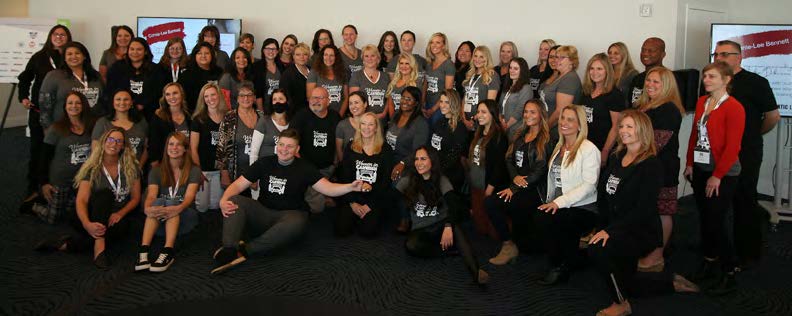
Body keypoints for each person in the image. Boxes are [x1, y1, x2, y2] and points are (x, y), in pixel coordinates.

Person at [211, 128, 370, 274]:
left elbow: (328, 188)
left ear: (297, 149)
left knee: (299, 221)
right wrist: (223, 200)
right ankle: (230, 249)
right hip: (263, 212)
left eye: (289, 146)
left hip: (289, 217)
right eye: (281, 144)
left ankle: (246, 250)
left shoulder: (305, 168)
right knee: (234, 199)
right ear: (277, 145)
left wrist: (350, 187)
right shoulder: (264, 163)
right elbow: (238, 184)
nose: (284, 149)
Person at [589, 110, 699, 316]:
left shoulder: (651, 165)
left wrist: (610, 232)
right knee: (627, 283)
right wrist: (601, 226)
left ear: (642, 130)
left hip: (639, 229)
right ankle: (670, 284)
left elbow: (643, 209)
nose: (623, 131)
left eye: (629, 127)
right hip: (617, 225)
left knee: (598, 251)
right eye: (621, 126)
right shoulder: (617, 156)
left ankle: (621, 304)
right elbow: (604, 195)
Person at [712, 40, 779, 269]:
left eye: (725, 54)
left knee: (744, 201)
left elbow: (772, 117)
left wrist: (751, 135)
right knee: (715, 203)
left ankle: (746, 253)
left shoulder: (756, 83)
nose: (719, 58)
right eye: (716, 54)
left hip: (745, 152)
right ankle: (715, 250)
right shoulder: (712, 81)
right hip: (715, 152)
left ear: (739, 57)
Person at [685, 61, 745, 294]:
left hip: (723, 173)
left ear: (726, 79)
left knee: (716, 221)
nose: (706, 80)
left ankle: (730, 269)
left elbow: (733, 147)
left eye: (711, 77)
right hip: (701, 169)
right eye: (705, 77)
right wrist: (690, 162)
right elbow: (694, 135)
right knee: (705, 217)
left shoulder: (734, 107)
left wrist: (718, 175)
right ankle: (709, 262)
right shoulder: (703, 102)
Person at [396, 146, 489, 285]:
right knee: (411, 246)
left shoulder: (441, 179)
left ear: (432, 161)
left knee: (456, 228)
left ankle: (476, 272)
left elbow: (454, 205)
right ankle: (450, 251)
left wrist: (447, 226)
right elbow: (391, 195)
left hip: (441, 224)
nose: (418, 163)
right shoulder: (409, 179)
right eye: (416, 159)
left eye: (423, 159)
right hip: (421, 230)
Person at [536, 105, 601, 285]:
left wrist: (559, 203)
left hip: (583, 208)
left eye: (570, 119)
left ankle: (560, 267)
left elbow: (589, 185)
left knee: (551, 220)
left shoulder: (588, 149)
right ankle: (570, 261)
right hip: (562, 204)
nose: (564, 122)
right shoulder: (559, 147)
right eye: (563, 118)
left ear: (580, 125)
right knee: (541, 217)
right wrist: (551, 201)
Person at [486, 99, 552, 265]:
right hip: (517, 186)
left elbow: (540, 172)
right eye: (526, 111)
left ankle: (518, 244)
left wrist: (514, 188)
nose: (527, 115)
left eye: (532, 112)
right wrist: (514, 177)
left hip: (534, 191)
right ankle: (508, 244)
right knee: (491, 203)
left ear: (541, 115)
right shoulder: (520, 135)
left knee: (526, 242)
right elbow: (508, 159)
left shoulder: (546, 139)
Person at [634, 67, 685, 272]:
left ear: (667, 86)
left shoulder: (669, 110)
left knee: (663, 212)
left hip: (662, 170)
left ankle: (657, 256)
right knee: (649, 211)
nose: (650, 85)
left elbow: (656, 143)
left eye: (656, 82)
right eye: (649, 81)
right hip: (645, 168)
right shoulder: (645, 105)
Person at [21, 91, 95, 224]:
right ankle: (32, 204)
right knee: (53, 218)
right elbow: (44, 158)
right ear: (65, 106)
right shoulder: (56, 129)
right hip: (61, 181)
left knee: (74, 214)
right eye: (70, 103)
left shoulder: (91, 127)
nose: (74, 106)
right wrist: (44, 183)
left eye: (78, 103)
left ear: (83, 106)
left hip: (81, 180)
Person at [73, 127, 142, 268]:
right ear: (103, 142)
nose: (114, 144)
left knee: (125, 228)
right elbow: (82, 200)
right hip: (91, 214)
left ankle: (67, 244)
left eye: (118, 141)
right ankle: (99, 250)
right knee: (105, 195)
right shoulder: (91, 168)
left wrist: (120, 213)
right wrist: (87, 224)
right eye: (110, 140)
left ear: (123, 146)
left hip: (114, 217)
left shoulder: (131, 167)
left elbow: (135, 198)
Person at [17, 24, 72, 202]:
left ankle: (56, 187)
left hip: (64, 114)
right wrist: (23, 97)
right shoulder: (40, 57)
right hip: (40, 113)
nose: (59, 37)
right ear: (50, 37)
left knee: (60, 151)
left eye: (63, 35)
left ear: (68, 38)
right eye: (55, 34)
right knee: (38, 150)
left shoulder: (71, 57)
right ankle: (34, 188)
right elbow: (25, 78)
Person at [135, 132, 202, 272]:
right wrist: (147, 208)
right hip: (161, 221)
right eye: (171, 144)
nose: (174, 147)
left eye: (179, 145)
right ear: (166, 148)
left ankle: (168, 251)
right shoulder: (156, 171)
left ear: (185, 149)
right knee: (158, 201)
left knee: (171, 203)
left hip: (185, 217)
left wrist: (178, 208)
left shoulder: (194, 170)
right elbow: (152, 196)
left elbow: (189, 198)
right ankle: (144, 251)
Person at [335, 112, 393, 237]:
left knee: (367, 233)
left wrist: (370, 205)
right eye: (363, 124)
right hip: (354, 196)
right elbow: (345, 177)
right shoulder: (351, 147)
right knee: (341, 230)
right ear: (359, 126)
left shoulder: (385, 149)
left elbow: (386, 181)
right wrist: (352, 203)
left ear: (376, 128)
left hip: (374, 197)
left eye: (371, 124)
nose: (366, 128)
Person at [291, 87, 342, 213]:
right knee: (317, 208)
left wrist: (335, 161)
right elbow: (291, 139)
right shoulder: (301, 115)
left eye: (320, 98)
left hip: (328, 168)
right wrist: (300, 164)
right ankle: (319, 196)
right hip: (307, 169)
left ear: (328, 101)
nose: (315, 101)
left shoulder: (335, 117)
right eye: (313, 97)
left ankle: (321, 194)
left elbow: (340, 140)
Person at [388, 86, 430, 232]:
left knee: (398, 181)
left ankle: (405, 218)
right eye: (403, 97)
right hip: (389, 159)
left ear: (416, 103)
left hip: (409, 162)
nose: (404, 101)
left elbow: (418, 152)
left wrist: (402, 163)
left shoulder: (420, 123)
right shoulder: (396, 116)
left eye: (409, 99)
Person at [39, 41, 104, 129]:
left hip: (93, 126)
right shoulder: (54, 76)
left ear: (84, 56)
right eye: (69, 54)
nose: (73, 56)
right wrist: (48, 129)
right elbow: (45, 106)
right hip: (64, 128)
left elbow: (104, 101)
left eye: (77, 53)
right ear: (64, 58)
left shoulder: (96, 76)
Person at [467, 99, 508, 237]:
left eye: (484, 112)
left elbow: (499, 167)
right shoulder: (478, 132)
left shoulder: (499, 137)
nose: (479, 115)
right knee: (480, 228)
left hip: (489, 189)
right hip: (476, 186)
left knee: (493, 231)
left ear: (493, 114)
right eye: (478, 112)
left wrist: (489, 189)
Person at [216, 82, 264, 197]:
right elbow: (221, 148)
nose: (246, 98)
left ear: (254, 98)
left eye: (249, 95)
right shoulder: (229, 118)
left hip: (259, 174)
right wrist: (224, 174)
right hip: (236, 175)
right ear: (237, 98)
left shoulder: (263, 117)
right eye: (242, 95)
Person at [190, 83, 228, 213]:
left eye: (213, 94)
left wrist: (225, 172)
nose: (210, 98)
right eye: (206, 96)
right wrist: (198, 172)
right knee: (202, 206)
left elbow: (229, 147)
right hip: (204, 171)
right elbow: (193, 148)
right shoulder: (198, 120)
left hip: (220, 171)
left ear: (219, 95)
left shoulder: (227, 117)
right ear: (203, 99)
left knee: (216, 205)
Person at [580, 53, 624, 165]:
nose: (595, 72)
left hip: (602, 148)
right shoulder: (586, 92)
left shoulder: (614, 95)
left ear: (607, 71)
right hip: (584, 146)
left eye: (599, 69)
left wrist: (605, 151)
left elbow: (616, 126)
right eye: (592, 68)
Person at [106, 37, 166, 120]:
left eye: (139, 49)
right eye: (132, 49)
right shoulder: (116, 68)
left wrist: (143, 104)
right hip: (122, 113)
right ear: (128, 50)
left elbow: (159, 93)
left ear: (145, 51)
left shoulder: (156, 69)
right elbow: (111, 90)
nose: (135, 52)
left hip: (149, 114)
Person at [92, 89, 148, 165]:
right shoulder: (102, 122)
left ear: (131, 102)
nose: (122, 102)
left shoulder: (141, 122)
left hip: (135, 170)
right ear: (113, 102)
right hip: (107, 171)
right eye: (118, 99)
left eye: (126, 99)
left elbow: (146, 148)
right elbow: (95, 150)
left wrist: (139, 168)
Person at [430, 90, 468, 191]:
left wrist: (437, 171)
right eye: (441, 101)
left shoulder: (460, 127)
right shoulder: (438, 122)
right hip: (435, 171)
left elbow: (454, 155)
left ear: (454, 103)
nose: (442, 105)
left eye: (447, 102)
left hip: (450, 176)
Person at [148, 83, 191, 168]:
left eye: (175, 93)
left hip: (188, 163)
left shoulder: (190, 116)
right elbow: (153, 144)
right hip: (165, 165)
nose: (171, 97)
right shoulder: (158, 117)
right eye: (168, 94)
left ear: (182, 95)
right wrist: (155, 165)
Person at [541, 45, 582, 129]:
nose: (556, 60)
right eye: (556, 57)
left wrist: (545, 129)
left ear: (571, 61)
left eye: (562, 57)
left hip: (557, 131)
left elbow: (560, 111)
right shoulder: (561, 76)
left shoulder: (570, 79)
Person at [461, 46, 500, 131]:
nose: (477, 59)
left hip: (480, 121)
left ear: (487, 59)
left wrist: (474, 119)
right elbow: (465, 98)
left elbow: (490, 104)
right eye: (475, 56)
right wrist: (464, 118)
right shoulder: (470, 74)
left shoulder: (492, 75)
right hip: (466, 121)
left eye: (481, 57)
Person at [178, 42, 223, 112]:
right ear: (194, 55)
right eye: (199, 53)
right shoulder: (186, 75)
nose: (203, 56)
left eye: (207, 53)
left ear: (212, 55)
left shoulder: (220, 72)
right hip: (193, 113)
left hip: (217, 111)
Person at [250, 89, 291, 163]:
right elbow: (254, 151)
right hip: (265, 166)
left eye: (281, 99)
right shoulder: (264, 121)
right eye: (274, 99)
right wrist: (253, 172)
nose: (277, 102)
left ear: (287, 101)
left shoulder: (292, 123)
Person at [423, 33, 455, 125]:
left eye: (438, 42)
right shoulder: (429, 63)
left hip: (440, 107)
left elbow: (447, 91)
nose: (434, 45)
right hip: (427, 105)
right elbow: (425, 84)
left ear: (444, 45)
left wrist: (433, 109)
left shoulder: (448, 64)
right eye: (432, 42)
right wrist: (422, 103)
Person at [307, 45, 349, 115]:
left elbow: (346, 98)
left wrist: (339, 116)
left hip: (339, 115)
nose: (328, 58)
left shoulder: (343, 72)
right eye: (326, 55)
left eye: (331, 55)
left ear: (336, 57)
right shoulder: (314, 72)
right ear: (322, 56)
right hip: (320, 115)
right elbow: (310, 98)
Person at [349, 45, 388, 120]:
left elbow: (389, 99)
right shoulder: (356, 76)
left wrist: (384, 113)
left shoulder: (385, 76)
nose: (369, 59)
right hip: (363, 122)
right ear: (363, 59)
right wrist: (365, 118)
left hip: (382, 120)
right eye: (366, 56)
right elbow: (353, 101)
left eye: (373, 56)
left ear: (378, 58)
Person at [498, 57, 534, 138]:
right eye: (510, 68)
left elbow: (520, 110)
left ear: (522, 71)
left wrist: (507, 125)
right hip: (503, 128)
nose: (512, 70)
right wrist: (501, 122)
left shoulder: (526, 88)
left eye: (516, 68)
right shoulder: (508, 87)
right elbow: (500, 106)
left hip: (516, 130)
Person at [628, 37, 666, 106]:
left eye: (651, 50)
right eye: (643, 50)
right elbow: (632, 105)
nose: (645, 53)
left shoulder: (669, 78)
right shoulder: (637, 79)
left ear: (663, 55)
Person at [385, 53, 424, 119]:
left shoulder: (416, 83)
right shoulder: (394, 82)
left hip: (411, 120)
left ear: (412, 66)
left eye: (407, 63)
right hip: (396, 120)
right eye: (401, 63)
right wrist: (393, 120)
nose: (404, 66)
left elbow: (418, 105)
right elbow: (391, 104)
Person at [335, 91, 368, 162]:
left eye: (356, 102)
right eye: (350, 103)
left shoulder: (374, 123)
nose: (353, 106)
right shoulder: (342, 125)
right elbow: (339, 150)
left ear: (365, 104)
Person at [252, 38, 285, 110]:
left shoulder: (282, 67)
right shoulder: (256, 67)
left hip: (279, 107)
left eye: (274, 49)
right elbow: (257, 92)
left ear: (277, 51)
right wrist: (260, 111)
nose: (271, 51)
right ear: (263, 50)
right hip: (263, 107)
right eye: (268, 48)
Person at [280, 43, 312, 114]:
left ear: (308, 56)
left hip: (312, 111)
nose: (302, 57)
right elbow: (286, 98)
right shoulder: (287, 74)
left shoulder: (312, 71)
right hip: (296, 113)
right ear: (293, 56)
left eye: (305, 54)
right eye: (298, 54)